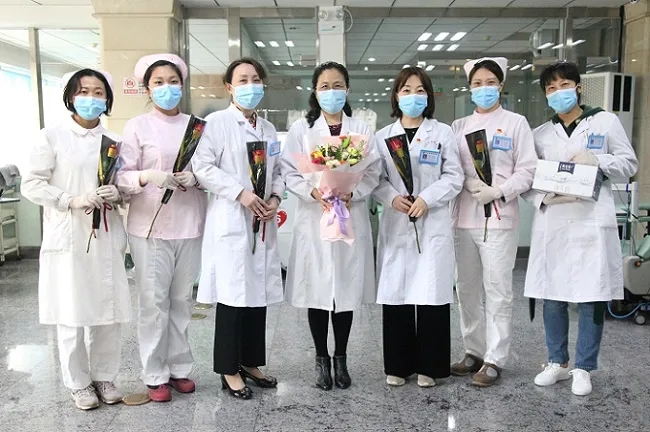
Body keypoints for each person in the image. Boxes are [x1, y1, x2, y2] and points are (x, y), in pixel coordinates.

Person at [524, 61, 638, 396]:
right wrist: (542, 198)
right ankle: (556, 362)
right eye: (550, 88)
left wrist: (597, 160)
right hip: (554, 222)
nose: (557, 93)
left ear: (578, 87)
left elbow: (629, 164)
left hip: (591, 220)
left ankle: (584, 367)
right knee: (553, 295)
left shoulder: (605, 121)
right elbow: (527, 179)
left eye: (564, 85)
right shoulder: (540, 134)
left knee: (592, 296)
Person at [21, 69, 131, 410]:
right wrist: (70, 199)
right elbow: (32, 184)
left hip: (106, 234)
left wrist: (119, 191)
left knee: (109, 310)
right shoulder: (51, 136)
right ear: (70, 96)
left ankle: (104, 376)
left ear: (107, 99)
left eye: (99, 92)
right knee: (71, 311)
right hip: (69, 234)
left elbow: (126, 183)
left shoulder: (113, 140)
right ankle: (78, 382)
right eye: (84, 91)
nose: (91, 98)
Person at [280, 61, 381, 391]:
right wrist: (313, 191)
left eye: (338, 86)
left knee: (345, 292)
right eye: (325, 86)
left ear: (347, 89)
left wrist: (352, 192)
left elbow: (373, 172)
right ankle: (321, 358)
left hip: (349, 215)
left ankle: (341, 358)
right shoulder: (301, 129)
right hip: (316, 217)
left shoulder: (362, 130)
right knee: (318, 291)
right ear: (315, 91)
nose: (332, 92)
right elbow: (289, 171)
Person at [116, 53, 207, 402]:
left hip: (189, 222)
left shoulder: (198, 126)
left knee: (182, 300)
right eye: (158, 83)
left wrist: (196, 178)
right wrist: (147, 176)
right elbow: (121, 177)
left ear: (182, 86)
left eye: (173, 82)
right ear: (147, 89)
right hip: (150, 227)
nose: (167, 88)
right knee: (154, 303)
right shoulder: (137, 126)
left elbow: (213, 169)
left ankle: (180, 367)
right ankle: (155, 374)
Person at [192, 58, 283, 400]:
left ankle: (250, 362)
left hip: (262, 219)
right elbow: (202, 167)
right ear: (229, 87)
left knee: (257, 296)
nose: (250, 85)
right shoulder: (216, 123)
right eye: (242, 80)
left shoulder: (269, 129)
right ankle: (229, 369)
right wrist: (240, 193)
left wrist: (275, 197)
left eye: (256, 79)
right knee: (232, 298)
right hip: (232, 217)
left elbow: (278, 171)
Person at [373, 67, 463, 387]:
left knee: (432, 295)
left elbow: (454, 176)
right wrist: (392, 197)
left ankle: (430, 366)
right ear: (396, 96)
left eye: (420, 90)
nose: (413, 96)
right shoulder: (382, 137)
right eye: (406, 90)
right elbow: (376, 179)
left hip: (432, 221)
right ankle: (398, 366)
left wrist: (427, 198)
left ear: (429, 95)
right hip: (397, 222)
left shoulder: (442, 133)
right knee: (396, 294)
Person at [450, 57, 537, 387]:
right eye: (477, 83)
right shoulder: (458, 126)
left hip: (500, 219)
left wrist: (499, 190)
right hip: (463, 218)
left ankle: (495, 358)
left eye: (489, 82)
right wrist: (467, 182)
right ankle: (473, 350)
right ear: (469, 88)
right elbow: (449, 167)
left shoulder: (516, 124)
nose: (483, 88)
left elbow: (527, 170)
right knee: (466, 289)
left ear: (500, 85)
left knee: (498, 289)